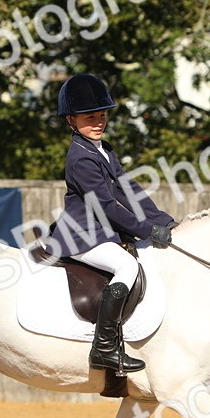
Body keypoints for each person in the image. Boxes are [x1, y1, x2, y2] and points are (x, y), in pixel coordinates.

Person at [44, 74, 175, 374]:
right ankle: (103, 348)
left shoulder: (104, 150)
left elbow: (129, 191)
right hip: (81, 236)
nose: (98, 122)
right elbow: (107, 207)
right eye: (90, 117)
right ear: (71, 120)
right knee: (127, 267)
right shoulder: (81, 159)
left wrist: (164, 221)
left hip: (100, 232)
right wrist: (148, 230)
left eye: (102, 115)